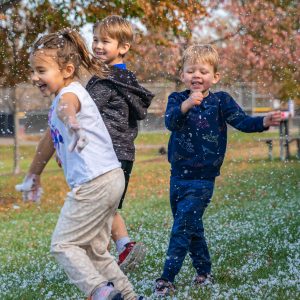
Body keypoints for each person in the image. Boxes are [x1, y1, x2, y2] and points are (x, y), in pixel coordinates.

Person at [18, 28, 144, 300]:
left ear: (67, 70)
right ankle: (129, 296)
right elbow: (48, 142)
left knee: (63, 244)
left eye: (41, 70)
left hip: (93, 183)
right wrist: (33, 174)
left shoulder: (70, 94)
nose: (34, 78)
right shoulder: (60, 102)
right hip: (111, 178)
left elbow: (67, 107)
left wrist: (72, 121)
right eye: (33, 71)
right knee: (94, 251)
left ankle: (99, 291)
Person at [154, 44, 281, 296]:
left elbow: (242, 121)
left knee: (181, 227)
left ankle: (167, 278)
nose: (197, 75)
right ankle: (204, 273)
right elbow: (170, 122)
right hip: (178, 177)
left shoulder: (221, 101)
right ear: (183, 75)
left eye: (203, 71)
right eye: (191, 70)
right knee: (191, 228)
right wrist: (188, 103)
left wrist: (263, 122)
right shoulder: (177, 99)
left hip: (203, 181)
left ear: (215, 77)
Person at [87, 15, 154, 272]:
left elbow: (85, 109)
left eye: (105, 41)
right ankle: (123, 246)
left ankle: (106, 259)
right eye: (95, 40)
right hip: (125, 154)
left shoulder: (105, 81)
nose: (98, 46)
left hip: (105, 154)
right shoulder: (126, 80)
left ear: (123, 47)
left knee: (100, 208)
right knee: (108, 207)